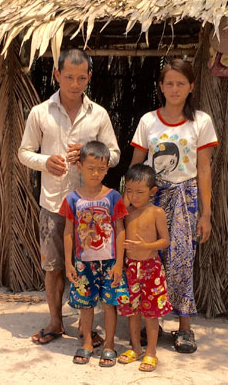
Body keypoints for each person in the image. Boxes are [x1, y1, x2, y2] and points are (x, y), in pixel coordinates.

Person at [17, 49, 120, 346]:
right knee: (53, 266)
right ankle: (55, 322)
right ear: (57, 75)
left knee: (88, 266)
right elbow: (24, 153)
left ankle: (86, 327)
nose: (75, 84)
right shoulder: (40, 112)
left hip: (89, 208)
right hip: (53, 203)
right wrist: (45, 161)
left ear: (89, 77)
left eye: (81, 77)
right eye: (69, 77)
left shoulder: (98, 114)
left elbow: (113, 155)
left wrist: (89, 153)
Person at [129, 58, 218, 353]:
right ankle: (148, 323)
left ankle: (184, 328)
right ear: (161, 87)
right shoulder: (147, 121)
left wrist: (205, 213)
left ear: (191, 86)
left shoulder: (201, 122)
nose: (175, 88)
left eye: (181, 83)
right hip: (151, 199)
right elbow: (136, 165)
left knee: (181, 263)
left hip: (186, 198)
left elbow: (203, 169)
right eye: (169, 83)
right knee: (147, 259)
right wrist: (131, 202)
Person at [61, 141, 129, 366]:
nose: (96, 173)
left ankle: (109, 344)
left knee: (110, 304)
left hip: (109, 263)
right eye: (90, 168)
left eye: (101, 169)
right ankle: (87, 342)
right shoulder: (72, 199)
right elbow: (68, 233)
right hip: (83, 264)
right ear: (79, 166)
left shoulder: (113, 197)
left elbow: (120, 231)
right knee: (86, 305)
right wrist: (69, 264)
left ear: (107, 168)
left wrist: (119, 263)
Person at [117, 164, 171, 372]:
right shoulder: (125, 213)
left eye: (140, 192)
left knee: (151, 314)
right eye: (129, 191)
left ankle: (151, 352)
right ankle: (136, 348)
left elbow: (165, 240)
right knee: (132, 311)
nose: (135, 196)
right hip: (130, 269)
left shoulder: (157, 212)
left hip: (151, 270)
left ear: (152, 191)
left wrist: (146, 246)